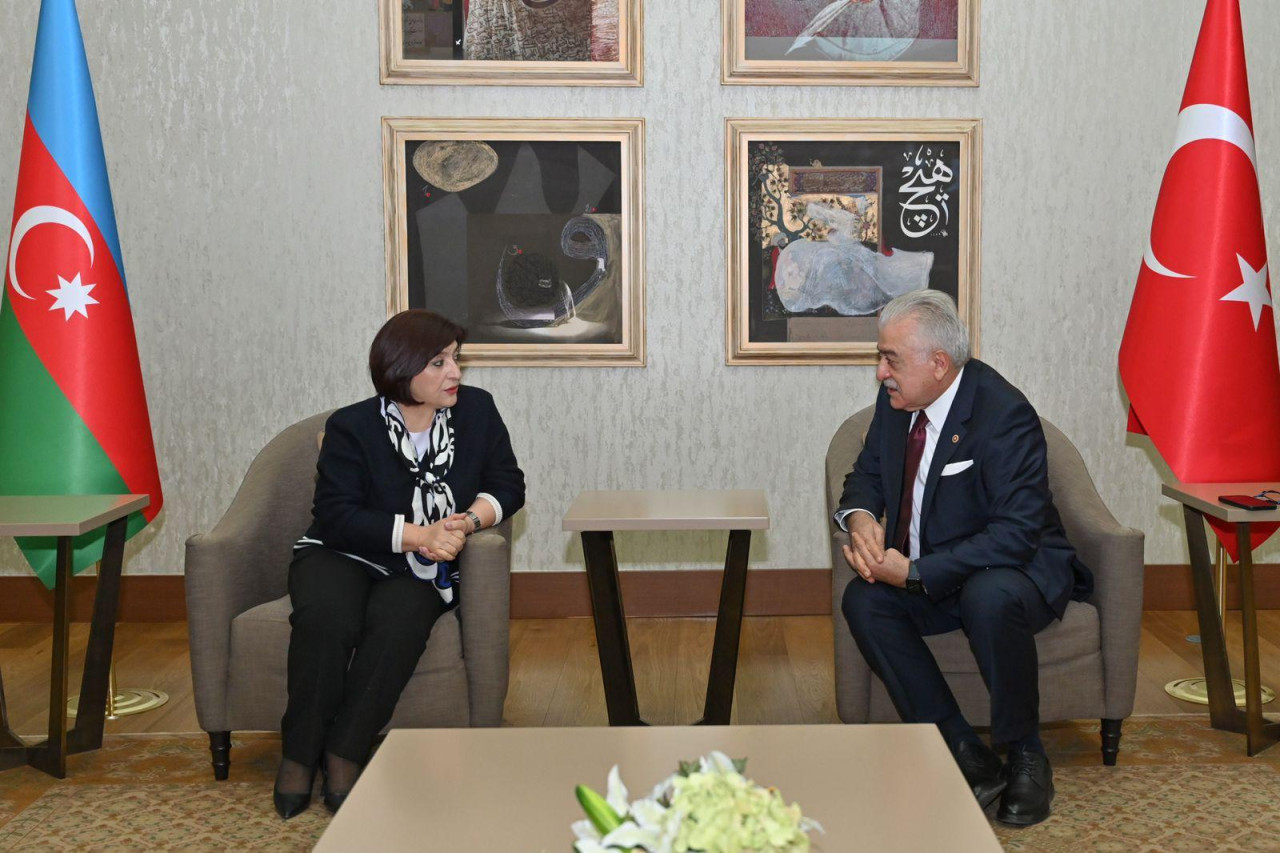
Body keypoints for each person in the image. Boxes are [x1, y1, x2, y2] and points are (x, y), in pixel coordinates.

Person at [835, 289, 1092, 827]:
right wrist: (859, 518)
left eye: (890, 359)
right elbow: (867, 474)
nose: (881, 373)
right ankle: (962, 751)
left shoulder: (1003, 413)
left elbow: (1016, 534)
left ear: (939, 363)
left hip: (1014, 571)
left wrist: (916, 572)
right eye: (881, 357)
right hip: (935, 573)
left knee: (987, 595)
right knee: (863, 600)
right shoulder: (896, 402)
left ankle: (1026, 754)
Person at [273, 310, 525, 819]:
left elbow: (507, 484)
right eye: (439, 362)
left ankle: (344, 751)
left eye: (455, 359)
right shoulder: (352, 426)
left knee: (399, 621)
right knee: (326, 616)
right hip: (340, 551)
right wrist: (419, 534)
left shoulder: (477, 411)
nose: (455, 372)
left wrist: (462, 524)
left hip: (421, 568)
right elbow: (337, 515)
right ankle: (299, 754)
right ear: (401, 368)